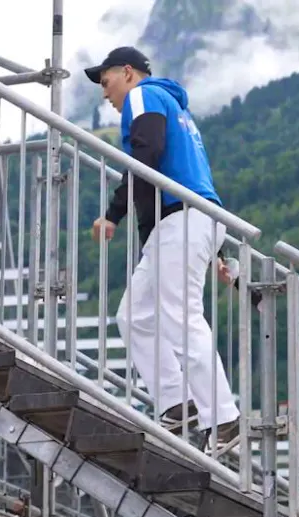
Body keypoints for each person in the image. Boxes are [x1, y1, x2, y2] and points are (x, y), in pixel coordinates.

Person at [84, 46, 239, 447]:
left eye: (106, 82)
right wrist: (218, 252)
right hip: (183, 222)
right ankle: (177, 403)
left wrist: (113, 213)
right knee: (134, 315)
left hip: (181, 220)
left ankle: (224, 418)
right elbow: (192, 175)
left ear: (129, 73)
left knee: (180, 317)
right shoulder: (174, 107)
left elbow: (146, 156)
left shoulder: (143, 95)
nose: (106, 94)